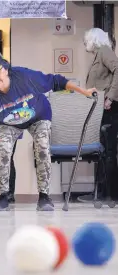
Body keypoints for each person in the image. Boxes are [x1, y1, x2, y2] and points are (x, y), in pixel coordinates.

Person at [0, 48, 96, 211]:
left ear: (5, 68)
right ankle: (3, 196)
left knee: (42, 146)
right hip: (9, 122)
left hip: (38, 115)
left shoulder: (23, 76)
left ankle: (44, 197)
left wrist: (84, 91)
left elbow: (55, 81)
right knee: (2, 149)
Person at [78, 28, 118, 203]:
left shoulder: (104, 51)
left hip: (109, 107)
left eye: (86, 39)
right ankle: (100, 193)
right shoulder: (99, 55)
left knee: (109, 151)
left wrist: (110, 97)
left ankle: (111, 195)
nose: (85, 42)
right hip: (100, 108)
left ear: (94, 39)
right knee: (102, 151)